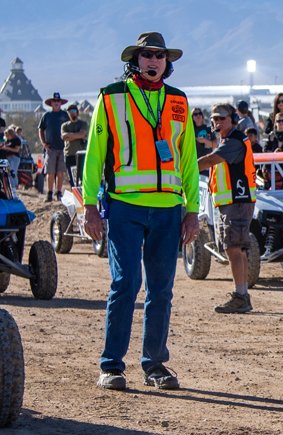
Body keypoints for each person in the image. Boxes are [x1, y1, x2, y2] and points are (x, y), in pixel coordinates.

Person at [82, 31, 199, 391]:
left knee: (161, 290)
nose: (153, 61)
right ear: (135, 60)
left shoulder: (179, 101)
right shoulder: (111, 97)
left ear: (167, 63)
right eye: (147, 55)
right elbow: (94, 154)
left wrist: (192, 209)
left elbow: (189, 159)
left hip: (168, 209)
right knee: (126, 283)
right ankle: (112, 366)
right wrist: (89, 206)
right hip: (125, 207)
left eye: (160, 56)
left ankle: (155, 366)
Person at [197, 103, 257, 314]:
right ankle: (241, 294)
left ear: (232, 119)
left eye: (222, 118)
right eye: (214, 118)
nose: (217, 122)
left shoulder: (233, 141)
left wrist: (183, 168)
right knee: (236, 248)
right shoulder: (229, 139)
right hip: (234, 202)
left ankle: (241, 295)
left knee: (233, 247)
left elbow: (211, 160)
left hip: (237, 203)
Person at [39, 92, 69, 201]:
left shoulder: (65, 115)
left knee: (60, 172)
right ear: (51, 103)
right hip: (50, 148)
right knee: (50, 172)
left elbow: (70, 128)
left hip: (62, 148)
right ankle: (49, 193)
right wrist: (43, 143)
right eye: (54, 101)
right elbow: (41, 129)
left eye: (58, 101)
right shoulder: (46, 116)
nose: (56, 103)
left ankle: (59, 192)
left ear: (60, 103)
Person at [61, 103, 88, 186]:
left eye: (73, 111)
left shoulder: (83, 124)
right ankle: (74, 196)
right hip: (69, 155)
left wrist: (71, 136)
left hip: (81, 155)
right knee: (72, 179)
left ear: (77, 112)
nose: (72, 113)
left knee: (82, 178)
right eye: (69, 112)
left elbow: (83, 134)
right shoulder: (64, 125)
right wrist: (77, 135)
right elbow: (64, 137)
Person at [0, 126, 23, 190]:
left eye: (7, 135)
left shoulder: (17, 140)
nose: (6, 137)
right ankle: (11, 185)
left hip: (14, 158)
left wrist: (7, 148)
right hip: (7, 158)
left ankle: (14, 186)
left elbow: (17, 150)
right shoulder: (7, 140)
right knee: (8, 171)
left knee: (12, 172)